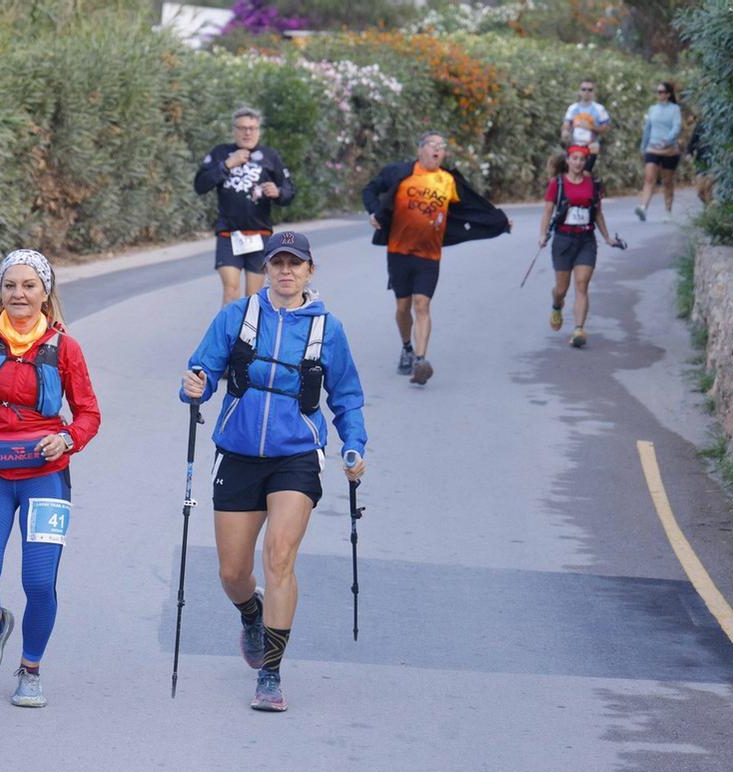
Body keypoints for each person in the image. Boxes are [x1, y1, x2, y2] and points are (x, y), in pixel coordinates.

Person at [179, 231, 367, 713]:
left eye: (294, 263)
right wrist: (194, 386)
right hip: (238, 452)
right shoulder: (236, 316)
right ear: (266, 268)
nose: (286, 271)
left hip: (296, 455)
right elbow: (202, 371)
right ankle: (251, 613)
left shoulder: (328, 329)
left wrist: (354, 444)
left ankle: (270, 672)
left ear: (309, 270)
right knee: (232, 573)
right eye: (277, 262)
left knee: (279, 556)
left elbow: (346, 396)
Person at [0, 248, 101, 708]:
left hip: (45, 478)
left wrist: (67, 439)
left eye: (29, 285)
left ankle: (30, 670)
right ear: (1, 291)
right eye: (10, 285)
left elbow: (89, 414)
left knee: (38, 582)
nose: (19, 294)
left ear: (45, 292)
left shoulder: (65, 348)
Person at [361, 131, 510, 385]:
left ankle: (420, 361)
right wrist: (375, 212)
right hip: (399, 252)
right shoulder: (400, 173)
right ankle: (407, 347)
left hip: (429, 254)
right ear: (420, 150)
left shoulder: (448, 181)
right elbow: (370, 189)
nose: (437, 149)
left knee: (422, 305)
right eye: (432, 144)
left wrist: (500, 220)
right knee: (403, 307)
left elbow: (474, 206)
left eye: (442, 146)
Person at [194, 106, 296, 306]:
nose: (247, 133)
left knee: (252, 297)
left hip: (259, 234)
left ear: (258, 131)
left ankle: (249, 328)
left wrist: (278, 192)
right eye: (242, 128)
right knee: (231, 291)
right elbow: (200, 185)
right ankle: (230, 328)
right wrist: (226, 165)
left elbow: (289, 191)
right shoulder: (221, 153)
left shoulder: (270, 156)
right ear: (234, 130)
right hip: (228, 233)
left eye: (252, 128)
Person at [537, 146, 620, 348]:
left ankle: (578, 330)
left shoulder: (593, 184)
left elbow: (597, 213)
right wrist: (542, 234)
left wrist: (607, 237)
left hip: (586, 240)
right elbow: (548, 211)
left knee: (582, 285)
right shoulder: (557, 183)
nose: (578, 163)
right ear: (567, 160)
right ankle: (557, 305)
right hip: (563, 240)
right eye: (574, 159)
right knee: (561, 289)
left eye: (582, 159)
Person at [634, 81, 683, 221]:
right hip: (652, 148)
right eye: (657, 91)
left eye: (661, 92)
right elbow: (647, 128)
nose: (659, 94)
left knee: (667, 181)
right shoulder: (653, 109)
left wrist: (668, 140)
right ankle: (643, 208)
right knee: (649, 178)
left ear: (668, 94)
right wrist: (643, 146)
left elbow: (677, 127)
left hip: (669, 150)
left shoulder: (675, 109)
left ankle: (668, 212)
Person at [560, 78, 611, 174]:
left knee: (585, 174)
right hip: (574, 145)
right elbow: (566, 124)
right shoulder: (573, 108)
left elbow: (606, 128)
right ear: (579, 91)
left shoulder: (599, 109)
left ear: (593, 92)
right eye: (583, 89)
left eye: (590, 90)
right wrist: (565, 131)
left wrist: (591, 127)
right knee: (570, 175)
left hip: (591, 147)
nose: (586, 92)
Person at [686, 118, 713, 205]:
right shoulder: (701, 124)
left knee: (708, 187)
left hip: (715, 161)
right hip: (701, 161)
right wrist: (689, 153)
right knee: (700, 191)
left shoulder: (719, 122)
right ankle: (708, 206)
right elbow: (692, 141)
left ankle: (710, 210)